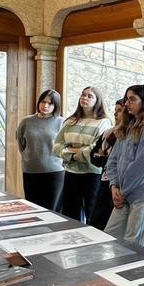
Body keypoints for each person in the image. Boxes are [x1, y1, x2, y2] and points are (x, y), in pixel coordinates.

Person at [105, 85, 144, 246]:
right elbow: (113, 161)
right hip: (122, 193)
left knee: (134, 245)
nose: (127, 104)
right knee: (110, 238)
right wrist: (113, 186)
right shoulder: (127, 128)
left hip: (143, 193)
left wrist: (122, 191)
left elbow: (142, 168)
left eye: (132, 99)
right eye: (127, 99)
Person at [53, 86, 111, 221]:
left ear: (98, 101)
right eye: (83, 95)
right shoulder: (70, 121)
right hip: (71, 172)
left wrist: (74, 151)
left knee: (92, 213)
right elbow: (57, 146)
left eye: (90, 96)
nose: (85, 98)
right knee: (69, 213)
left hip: (92, 173)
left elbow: (97, 148)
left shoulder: (103, 122)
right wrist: (72, 154)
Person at [16, 89, 64, 210]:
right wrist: (29, 158)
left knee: (52, 209)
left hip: (54, 171)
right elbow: (21, 144)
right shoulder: (26, 121)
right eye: (43, 102)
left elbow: (64, 146)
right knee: (33, 208)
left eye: (50, 103)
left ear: (56, 105)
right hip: (30, 170)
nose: (45, 105)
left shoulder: (61, 122)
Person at [87, 103, 126, 230]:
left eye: (119, 111)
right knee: (95, 223)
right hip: (104, 182)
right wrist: (106, 159)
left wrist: (104, 157)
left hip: (119, 184)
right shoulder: (108, 133)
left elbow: (119, 161)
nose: (115, 114)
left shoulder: (128, 135)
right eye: (115, 110)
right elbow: (94, 157)